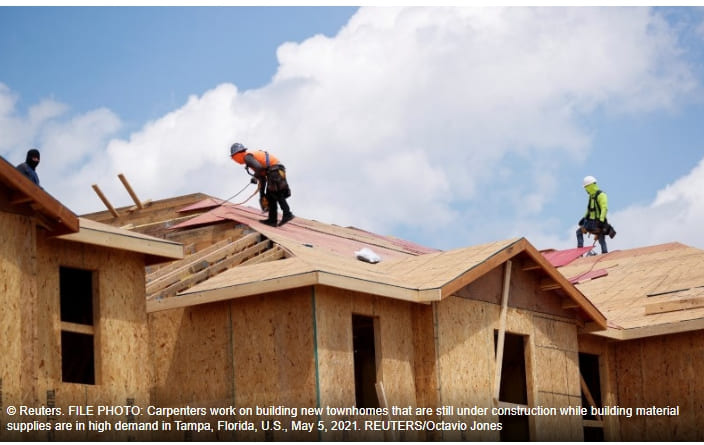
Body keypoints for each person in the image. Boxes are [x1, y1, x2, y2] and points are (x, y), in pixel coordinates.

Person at [230, 142, 294, 227]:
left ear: (237, 155)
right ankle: (272, 220)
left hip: (275, 170)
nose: (235, 160)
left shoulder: (247, 157)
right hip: (274, 170)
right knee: (270, 196)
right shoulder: (249, 158)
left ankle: (287, 214)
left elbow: (259, 168)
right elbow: (262, 178)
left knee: (276, 193)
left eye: (234, 158)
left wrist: (255, 178)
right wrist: (262, 195)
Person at [576, 175, 614, 254]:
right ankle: (604, 252)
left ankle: (580, 252)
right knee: (600, 237)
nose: (586, 189)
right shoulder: (591, 196)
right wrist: (584, 217)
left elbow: (604, 208)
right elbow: (589, 209)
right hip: (591, 222)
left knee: (580, 232)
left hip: (596, 223)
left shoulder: (601, 195)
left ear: (590, 186)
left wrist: (601, 220)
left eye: (586, 187)